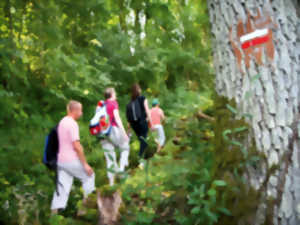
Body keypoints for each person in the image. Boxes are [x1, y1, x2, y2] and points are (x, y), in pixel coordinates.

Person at [51, 100, 95, 213]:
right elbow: (76, 146)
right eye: (80, 110)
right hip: (71, 160)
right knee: (89, 176)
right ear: (74, 110)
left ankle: (54, 216)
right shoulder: (72, 124)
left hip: (60, 161)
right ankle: (85, 210)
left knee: (62, 188)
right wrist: (85, 164)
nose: (81, 112)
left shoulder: (62, 122)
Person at [100, 88, 130, 186]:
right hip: (113, 130)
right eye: (115, 93)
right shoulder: (113, 103)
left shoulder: (102, 105)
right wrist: (124, 133)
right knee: (125, 147)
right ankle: (121, 170)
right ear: (112, 94)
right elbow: (117, 118)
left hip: (102, 133)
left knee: (110, 159)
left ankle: (111, 184)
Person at [127, 83, 152, 160]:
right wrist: (151, 122)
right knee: (144, 141)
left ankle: (143, 159)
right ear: (138, 90)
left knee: (142, 141)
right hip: (142, 122)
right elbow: (147, 110)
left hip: (134, 125)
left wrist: (128, 130)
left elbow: (128, 119)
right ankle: (140, 158)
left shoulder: (129, 103)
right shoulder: (142, 98)